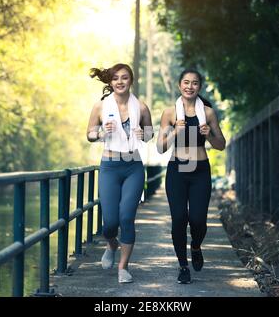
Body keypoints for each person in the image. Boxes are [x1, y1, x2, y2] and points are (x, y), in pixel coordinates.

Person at [157, 68, 226, 284]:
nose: (190, 86)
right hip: (177, 170)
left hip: (199, 170)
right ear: (180, 86)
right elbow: (160, 147)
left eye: (194, 83)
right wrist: (174, 132)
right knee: (179, 219)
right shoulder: (170, 113)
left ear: (199, 87)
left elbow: (221, 145)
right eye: (186, 82)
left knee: (198, 220)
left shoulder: (208, 113)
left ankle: (196, 246)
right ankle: (183, 266)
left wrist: (210, 135)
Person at [86, 63, 153, 283]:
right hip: (110, 166)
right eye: (116, 78)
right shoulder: (100, 106)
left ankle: (123, 267)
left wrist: (143, 133)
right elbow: (89, 133)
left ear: (131, 80)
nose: (120, 82)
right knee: (109, 223)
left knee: (126, 217)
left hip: (133, 167)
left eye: (125, 78)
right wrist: (101, 132)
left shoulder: (141, 107)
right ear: (110, 82)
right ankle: (111, 243)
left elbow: (150, 134)